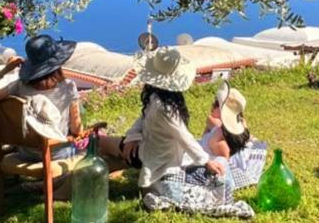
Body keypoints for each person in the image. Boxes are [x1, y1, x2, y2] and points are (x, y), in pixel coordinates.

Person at [100, 47, 254, 218]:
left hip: (154, 156)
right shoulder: (164, 106)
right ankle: (85, 179)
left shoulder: (157, 98)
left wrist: (132, 137)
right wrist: (206, 161)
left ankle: (88, 177)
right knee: (105, 149)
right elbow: (183, 137)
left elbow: (153, 122)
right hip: (159, 162)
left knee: (106, 153)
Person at [0, 35, 81, 162]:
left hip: (27, 153)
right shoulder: (68, 87)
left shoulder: (20, 86)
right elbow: (77, 130)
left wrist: (3, 71)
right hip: (58, 153)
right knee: (97, 144)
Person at [201, 82, 251, 160]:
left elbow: (223, 164)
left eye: (216, 104)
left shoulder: (218, 137)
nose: (212, 105)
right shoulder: (221, 129)